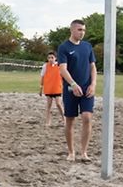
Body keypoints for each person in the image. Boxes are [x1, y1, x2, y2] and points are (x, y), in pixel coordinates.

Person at [57, 19, 97, 161]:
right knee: (70, 120)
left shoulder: (87, 46)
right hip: (70, 89)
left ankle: (84, 152)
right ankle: (71, 152)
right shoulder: (64, 47)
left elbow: (92, 67)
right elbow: (63, 69)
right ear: (72, 30)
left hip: (87, 88)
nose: (82, 32)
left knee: (87, 117)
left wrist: (93, 84)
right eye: (79, 30)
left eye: (84, 30)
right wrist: (73, 84)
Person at [39, 52, 64, 127]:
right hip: (48, 88)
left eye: (52, 57)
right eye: (49, 58)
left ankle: (64, 119)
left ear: (55, 58)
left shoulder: (59, 65)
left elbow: (64, 76)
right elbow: (42, 76)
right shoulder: (45, 66)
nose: (50, 59)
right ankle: (48, 121)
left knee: (58, 104)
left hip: (57, 87)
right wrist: (41, 87)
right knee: (48, 105)